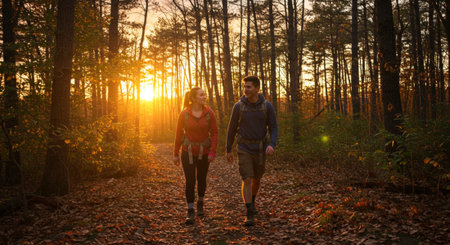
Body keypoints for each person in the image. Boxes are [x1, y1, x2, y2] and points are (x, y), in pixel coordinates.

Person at [226, 76, 278, 226]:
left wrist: (272, 144)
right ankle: (249, 212)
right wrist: (228, 148)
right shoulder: (239, 106)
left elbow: (273, 127)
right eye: (244, 87)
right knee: (247, 178)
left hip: (261, 148)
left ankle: (252, 201)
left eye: (248, 87)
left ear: (257, 88)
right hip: (244, 148)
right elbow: (231, 129)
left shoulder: (267, 106)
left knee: (257, 178)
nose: (245, 90)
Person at [173, 87, 218, 224]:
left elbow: (215, 133)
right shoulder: (184, 114)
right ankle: (190, 209)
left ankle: (200, 202)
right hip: (188, 152)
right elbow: (179, 134)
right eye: (201, 95)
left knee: (202, 179)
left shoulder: (209, 113)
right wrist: (176, 153)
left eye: (204, 94)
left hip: (204, 153)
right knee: (190, 180)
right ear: (193, 98)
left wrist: (212, 151)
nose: (204, 97)